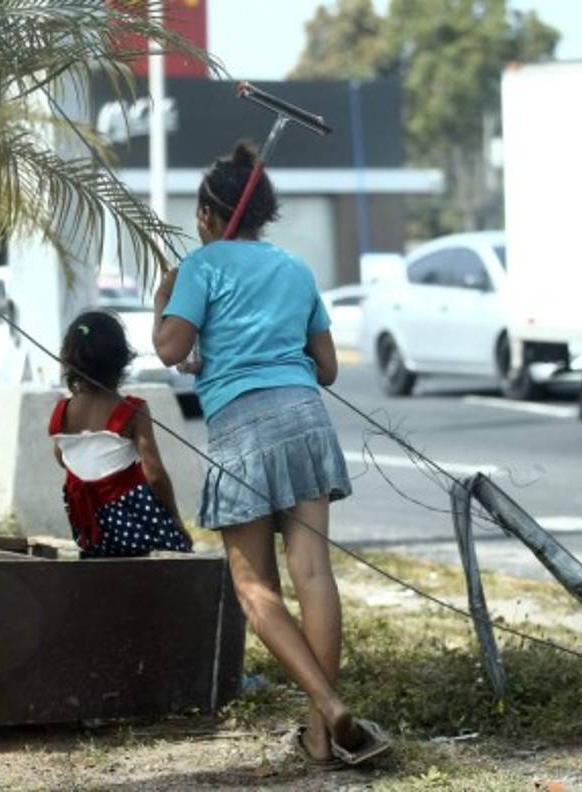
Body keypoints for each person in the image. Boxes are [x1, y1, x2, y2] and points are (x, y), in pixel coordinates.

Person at [152, 142, 391, 767]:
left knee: (254, 585)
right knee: (314, 573)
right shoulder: (295, 268)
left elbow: (170, 350)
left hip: (241, 427)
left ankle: (328, 708)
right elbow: (329, 368)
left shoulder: (201, 267)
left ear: (208, 214)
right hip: (307, 418)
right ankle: (320, 735)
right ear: (263, 213)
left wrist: (164, 298)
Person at [50, 310, 193, 558]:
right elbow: (154, 474)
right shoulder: (132, 410)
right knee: (180, 548)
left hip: (89, 530)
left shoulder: (62, 411)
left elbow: (62, 458)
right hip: (133, 528)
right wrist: (175, 518)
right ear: (120, 360)